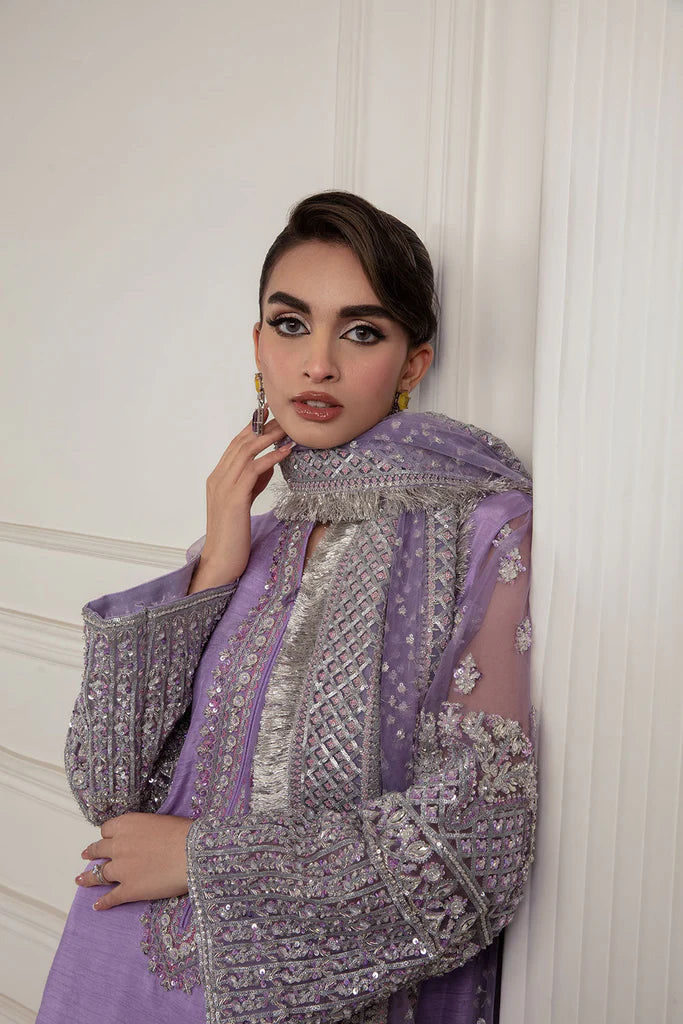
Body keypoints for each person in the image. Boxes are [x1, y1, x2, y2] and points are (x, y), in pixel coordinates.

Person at [37, 191, 535, 1024]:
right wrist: (215, 564)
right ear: (257, 344)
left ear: (413, 365)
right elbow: (107, 785)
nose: (317, 365)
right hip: (115, 975)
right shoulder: (253, 540)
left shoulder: (481, 532)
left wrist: (203, 858)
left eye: (361, 332)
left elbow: (472, 857)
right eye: (291, 324)